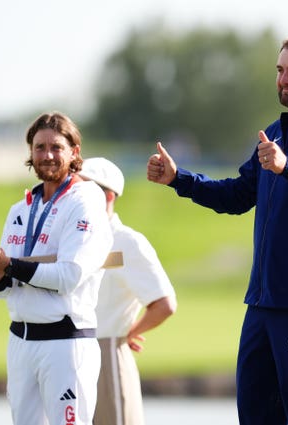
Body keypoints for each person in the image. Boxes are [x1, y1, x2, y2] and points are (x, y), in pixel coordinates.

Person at [147, 34, 288, 424]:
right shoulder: (275, 133)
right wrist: (180, 179)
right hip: (263, 300)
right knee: (255, 411)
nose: (284, 79)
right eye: (281, 70)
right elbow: (237, 195)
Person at [0, 112, 113, 425]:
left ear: (74, 152)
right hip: (20, 342)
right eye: (39, 147)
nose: (48, 155)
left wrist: (9, 265)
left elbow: (69, 276)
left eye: (56, 147)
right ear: (30, 153)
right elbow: (8, 288)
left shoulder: (85, 201)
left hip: (65, 343)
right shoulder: (21, 208)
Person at [77, 157, 177, 425]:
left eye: (85, 189)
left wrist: (130, 332)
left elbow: (164, 303)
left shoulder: (127, 241)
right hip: (71, 353)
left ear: (108, 196)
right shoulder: (75, 240)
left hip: (107, 353)